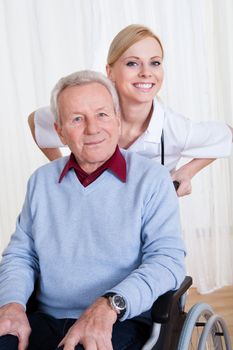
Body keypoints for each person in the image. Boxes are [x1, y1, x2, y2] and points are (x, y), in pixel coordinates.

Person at [0, 70, 186, 350]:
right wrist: (12, 304)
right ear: (60, 130)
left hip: (120, 320)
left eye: (102, 114)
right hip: (45, 317)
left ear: (117, 119)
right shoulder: (41, 181)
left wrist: (109, 305)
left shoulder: (152, 179)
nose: (92, 128)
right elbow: (21, 255)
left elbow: (167, 261)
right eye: (77, 119)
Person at [28, 24, 233, 197]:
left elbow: (228, 135)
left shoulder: (175, 129)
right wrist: (66, 173)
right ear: (110, 72)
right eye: (132, 63)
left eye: (155, 63)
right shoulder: (89, 110)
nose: (146, 73)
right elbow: (36, 122)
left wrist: (188, 172)